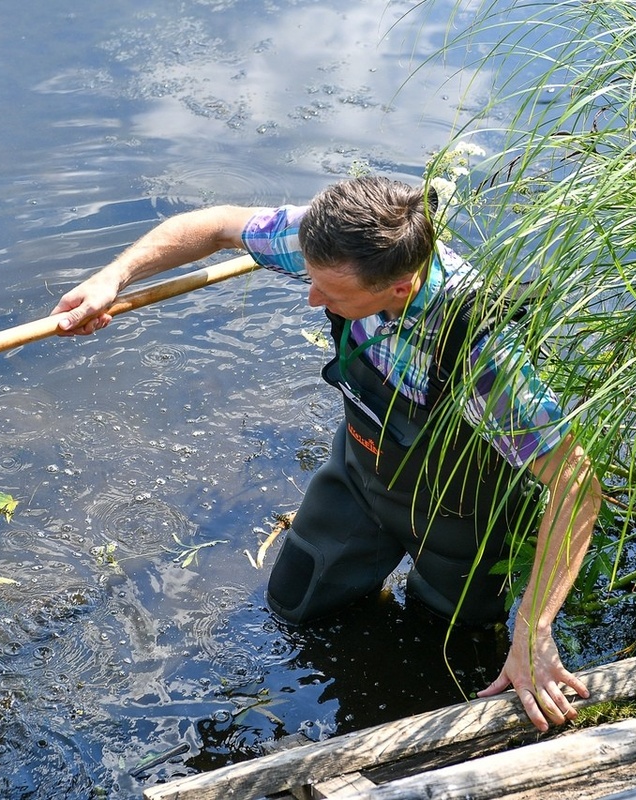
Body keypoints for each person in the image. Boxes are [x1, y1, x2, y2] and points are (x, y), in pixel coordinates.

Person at [51, 176, 603, 732]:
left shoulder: (481, 355)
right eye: (313, 279)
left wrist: (533, 631)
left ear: (400, 290)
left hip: (455, 514)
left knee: (441, 659)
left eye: (330, 294)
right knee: (292, 606)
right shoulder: (333, 244)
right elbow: (214, 225)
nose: (313, 297)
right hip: (360, 476)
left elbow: (576, 485)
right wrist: (111, 279)